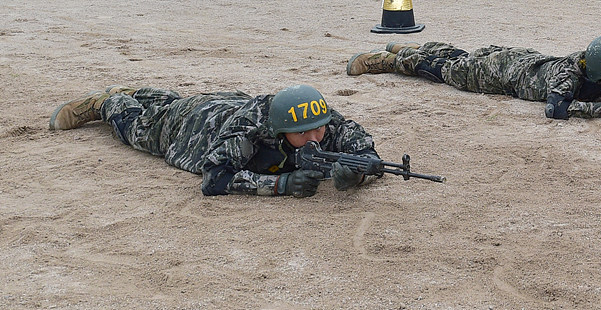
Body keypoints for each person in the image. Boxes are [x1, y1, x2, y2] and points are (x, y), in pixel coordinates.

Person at [49, 84, 380, 198]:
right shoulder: (247, 135)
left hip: (230, 101)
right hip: (193, 126)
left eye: (318, 130)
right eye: (302, 134)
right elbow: (214, 178)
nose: (314, 138)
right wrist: (280, 186)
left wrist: (359, 171)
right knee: (137, 128)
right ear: (279, 131)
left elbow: (363, 148)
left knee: (170, 100)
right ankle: (105, 102)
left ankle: (143, 92)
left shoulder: (317, 116)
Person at [346, 35, 601, 119]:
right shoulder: (568, 75)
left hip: (521, 57)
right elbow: (556, 109)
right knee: (443, 71)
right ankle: (386, 60)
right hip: (499, 75)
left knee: (461, 56)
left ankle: (411, 46)